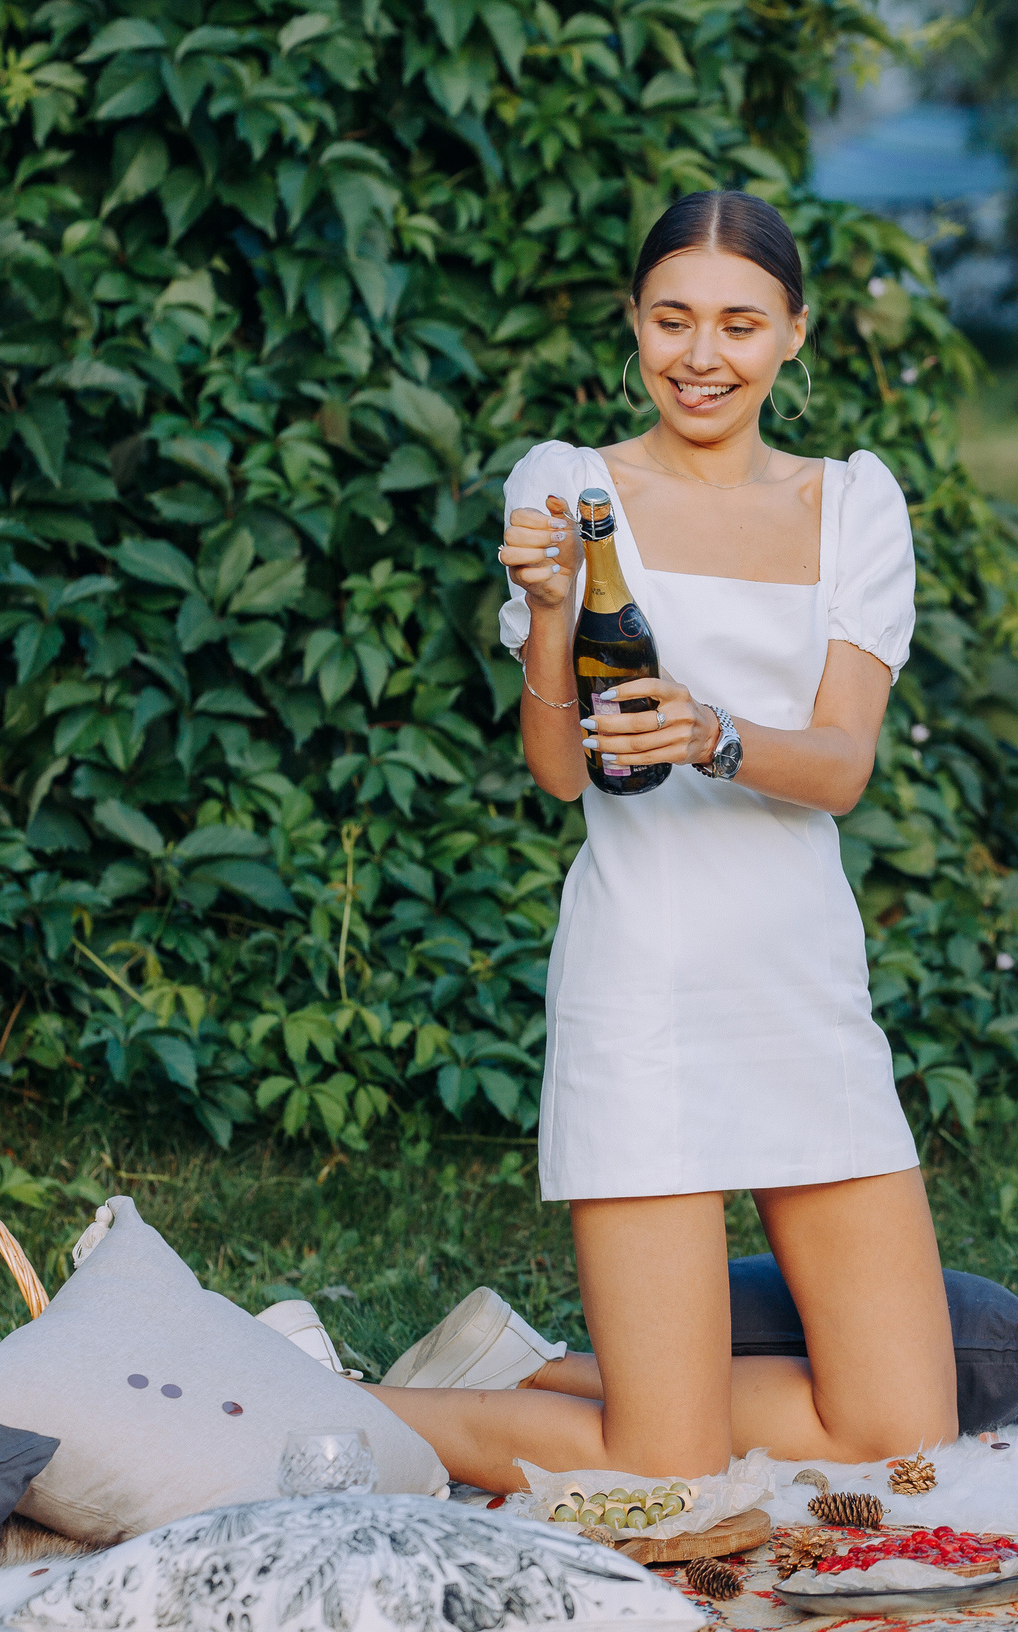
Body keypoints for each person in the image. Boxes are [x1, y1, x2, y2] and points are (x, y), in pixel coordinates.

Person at [365, 190, 957, 1493]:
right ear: (633, 323)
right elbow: (562, 767)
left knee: (905, 1431)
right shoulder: (571, 489)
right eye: (673, 319)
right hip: (645, 986)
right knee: (665, 1465)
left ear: (794, 334)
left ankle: (521, 1379)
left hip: (803, 989)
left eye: (741, 324)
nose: (704, 355)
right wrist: (552, 614)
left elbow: (843, 768)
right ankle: (341, 1409)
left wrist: (715, 732)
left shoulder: (855, 503)